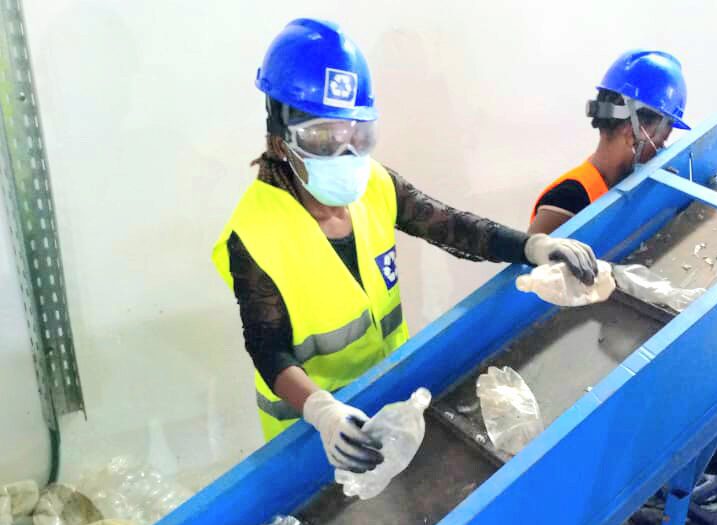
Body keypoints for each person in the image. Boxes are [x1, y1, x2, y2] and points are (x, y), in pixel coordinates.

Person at [212, 18, 598, 477]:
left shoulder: (375, 185)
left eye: (356, 134)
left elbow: (452, 226)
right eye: (324, 137)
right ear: (280, 136)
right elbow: (267, 347)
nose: (345, 153)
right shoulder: (255, 232)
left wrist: (533, 247)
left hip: (388, 398)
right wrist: (322, 412)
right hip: (311, 438)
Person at [528, 50, 689, 235]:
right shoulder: (567, 199)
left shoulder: (629, 187)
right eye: (662, 136)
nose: (662, 147)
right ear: (631, 131)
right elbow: (532, 260)